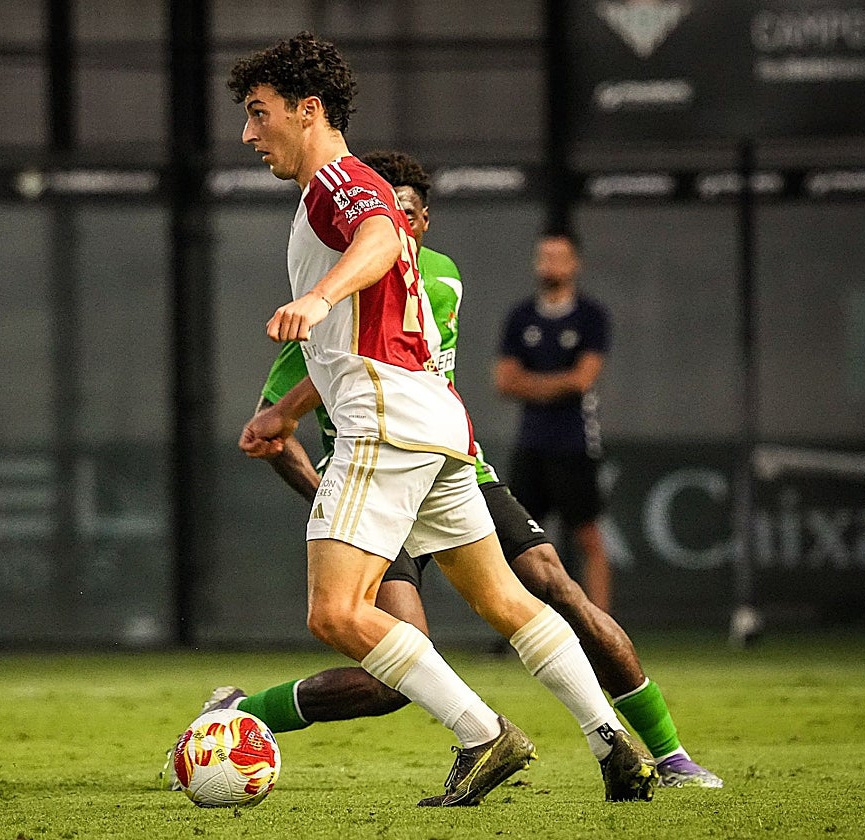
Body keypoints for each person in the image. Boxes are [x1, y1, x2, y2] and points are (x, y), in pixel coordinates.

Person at [174, 150, 721, 792]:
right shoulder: (382, 282)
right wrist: (299, 433)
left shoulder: (400, 272)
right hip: (425, 443)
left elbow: (373, 327)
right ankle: (608, 744)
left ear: (420, 219)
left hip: (396, 447)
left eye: (405, 214)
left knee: (388, 609)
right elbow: (307, 391)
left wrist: (319, 300)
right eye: (386, 212)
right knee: (438, 640)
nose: (393, 223)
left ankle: (518, 737)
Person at [210, 32, 658, 808]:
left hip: (384, 416)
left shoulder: (336, 183)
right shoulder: (349, 187)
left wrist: (319, 297)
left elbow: (380, 239)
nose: (250, 134)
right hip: (436, 418)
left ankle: (483, 734)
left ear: (308, 110)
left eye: (260, 114)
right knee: (507, 601)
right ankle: (612, 741)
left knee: (336, 611)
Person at [495, 232, 614, 613]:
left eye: (559, 257)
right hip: (531, 443)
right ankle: (521, 628)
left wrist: (532, 384)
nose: (551, 265)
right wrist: (555, 384)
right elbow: (504, 381)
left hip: (575, 442)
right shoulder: (521, 318)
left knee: (588, 539)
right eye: (544, 257)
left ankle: (604, 629)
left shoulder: (590, 317)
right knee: (519, 541)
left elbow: (582, 380)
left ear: (574, 263)